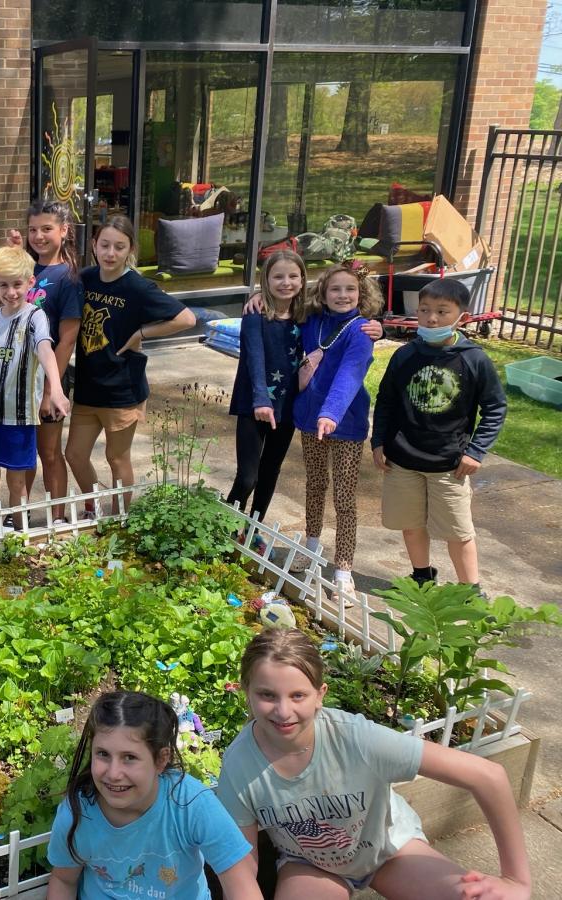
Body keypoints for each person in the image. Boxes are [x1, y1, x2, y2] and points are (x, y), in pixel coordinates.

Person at [217, 628, 531, 900]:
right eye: (267, 695)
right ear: (246, 692)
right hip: (309, 865)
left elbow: (489, 775)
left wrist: (516, 880)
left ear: (319, 695)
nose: (283, 711)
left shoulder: (357, 739)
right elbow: (242, 866)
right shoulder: (240, 765)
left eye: (298, 695)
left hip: (390, 849)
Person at [46, 691, 262, 900]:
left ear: (161, 760)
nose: (113, 774)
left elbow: (241, 883)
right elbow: (64, 880)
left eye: (129, 757)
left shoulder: (192, 804)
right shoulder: (78, 813)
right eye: (103, 754)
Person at [371, 278, 507, 591]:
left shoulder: (474, 359)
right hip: (402, 461)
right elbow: (387, 400)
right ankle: (421, 575)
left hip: (450, 465)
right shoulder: (405, 356)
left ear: (462, 315)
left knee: (458, 532)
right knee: (410, 523)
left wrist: (476, 451)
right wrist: (378, 440)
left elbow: (495, 408)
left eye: (442, 312)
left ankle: (469, 589)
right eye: (425, 310)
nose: (432, 318)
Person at [66, 215, 196, 514]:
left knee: (117, 458)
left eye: (119, 247)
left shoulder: (138, 287)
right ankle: (92, 504)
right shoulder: (85, 279)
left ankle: (119, 519)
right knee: (74, 454)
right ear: (95, 246)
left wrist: (141, 332)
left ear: (130, 250)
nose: (111, 254)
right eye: (105, 245)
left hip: (122, 388)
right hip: (87, 386)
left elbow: (187, 318)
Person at [290, 261, 381, 605]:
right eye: (335, 289)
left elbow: (350, 374)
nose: (343, 295)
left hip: (346, 425)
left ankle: (343, 571)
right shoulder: (311, 322)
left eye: (350, 289)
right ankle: (312, 547)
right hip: (309, 421)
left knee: (344, 497)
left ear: (361, 293)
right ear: (323, 293)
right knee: (314, 485)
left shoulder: (361, 332)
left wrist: (331, 413)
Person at [0, 247, 70, 536]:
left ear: (29, 283)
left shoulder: (35, 317)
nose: (11, 292)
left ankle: (18, 535)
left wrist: (56, 388)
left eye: (17, 284)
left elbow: (45, 348)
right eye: (3, 285)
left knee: (16, 483)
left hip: (20, 417)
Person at [4, 199, 83, 525]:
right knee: (20, 453)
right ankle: (19, 516)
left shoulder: (68, 277)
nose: (38, 236)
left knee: (49, 452)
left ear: (64, 231)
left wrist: (52, 388)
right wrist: (11, 255)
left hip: (48, 379)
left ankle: (58, 518)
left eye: (46, 229)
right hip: (15, 379)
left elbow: (67, 339)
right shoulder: (25, 268)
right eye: (33, 229)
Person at [226, 250, 309, 528]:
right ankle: (224, 527)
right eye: (278, 276)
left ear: (302, 279)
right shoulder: (256, 314)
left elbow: (342, 304)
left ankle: (254, 528)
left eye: (293, 276)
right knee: (247, 476)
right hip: (254, 403)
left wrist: (374, 326)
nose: (286, 282)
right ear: (266, 280)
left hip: (287, 406)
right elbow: (254, 357)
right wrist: (261, 400)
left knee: (271, 470)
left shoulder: (306, 315)